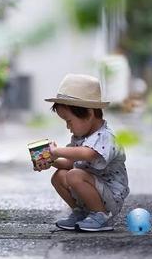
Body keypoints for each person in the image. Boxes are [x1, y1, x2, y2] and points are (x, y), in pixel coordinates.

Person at [34, 74, 130, 232]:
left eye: (69, 121)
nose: (67, 127)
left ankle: (101, 215)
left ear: (89, 114)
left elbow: (88, 154)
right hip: (91, 187)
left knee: (74, 175)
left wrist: (57, 151)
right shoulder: (80, 137)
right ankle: (82, 212)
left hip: (110, 195)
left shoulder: (106, 136)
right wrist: (50, 161)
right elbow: (71, 163)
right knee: (59, 176)